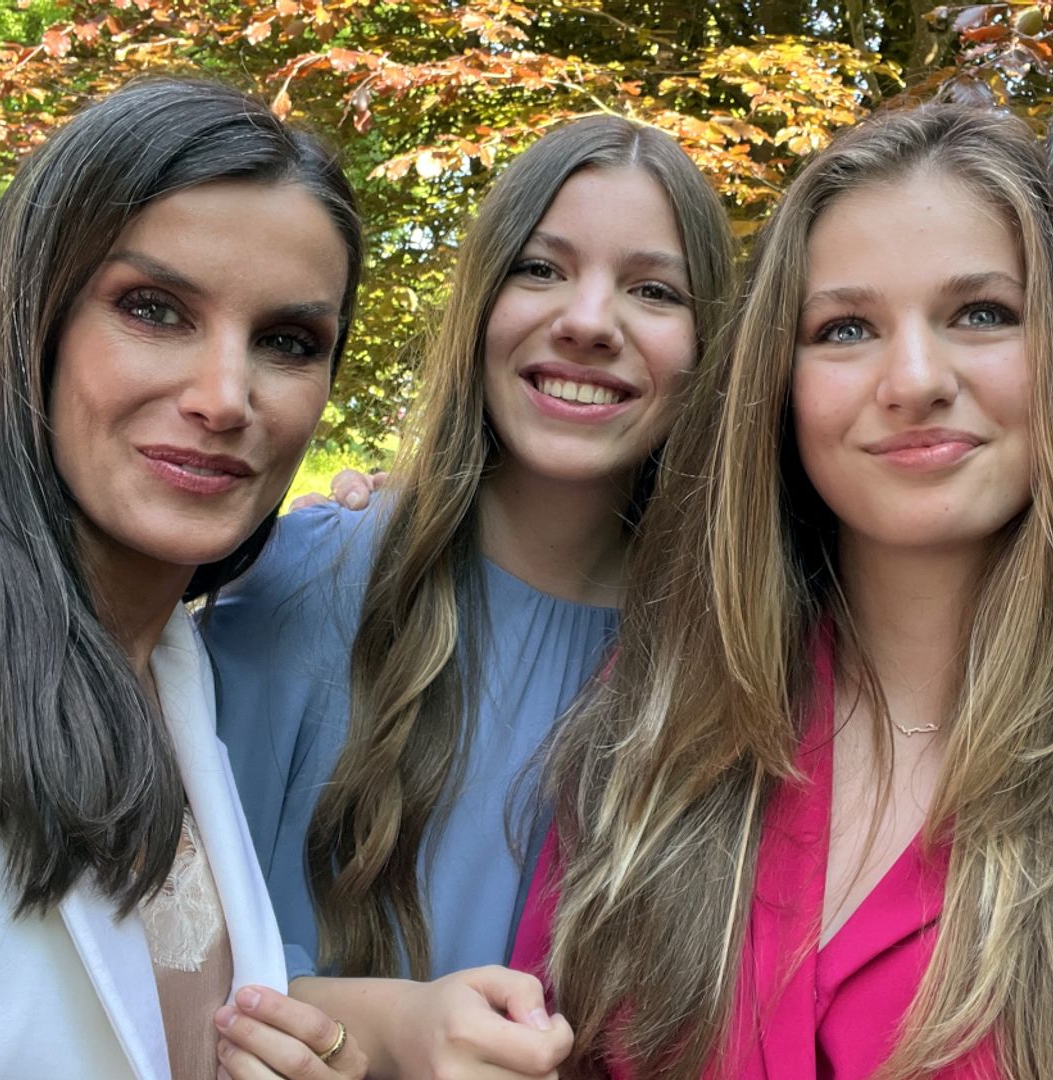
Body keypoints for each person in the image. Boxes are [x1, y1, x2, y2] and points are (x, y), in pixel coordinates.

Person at [511, 103, 1053, 1079]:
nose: (914, 379)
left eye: (981, 314)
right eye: (846, 327)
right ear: (780, 384)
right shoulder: (662, 716)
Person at [204, 114, 734, 1077]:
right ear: (482, 303)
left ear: (711, 348)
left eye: (654, 290)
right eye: (541, 268)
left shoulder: (734, 666)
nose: (588, 320)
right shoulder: (308, 580)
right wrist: (389, 1030)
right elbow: (158, 957)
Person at [0, 77, 370, 1080]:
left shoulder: (180, 664)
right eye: (154, 310)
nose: (225, 396)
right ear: (34, 318)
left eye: (288, 342)